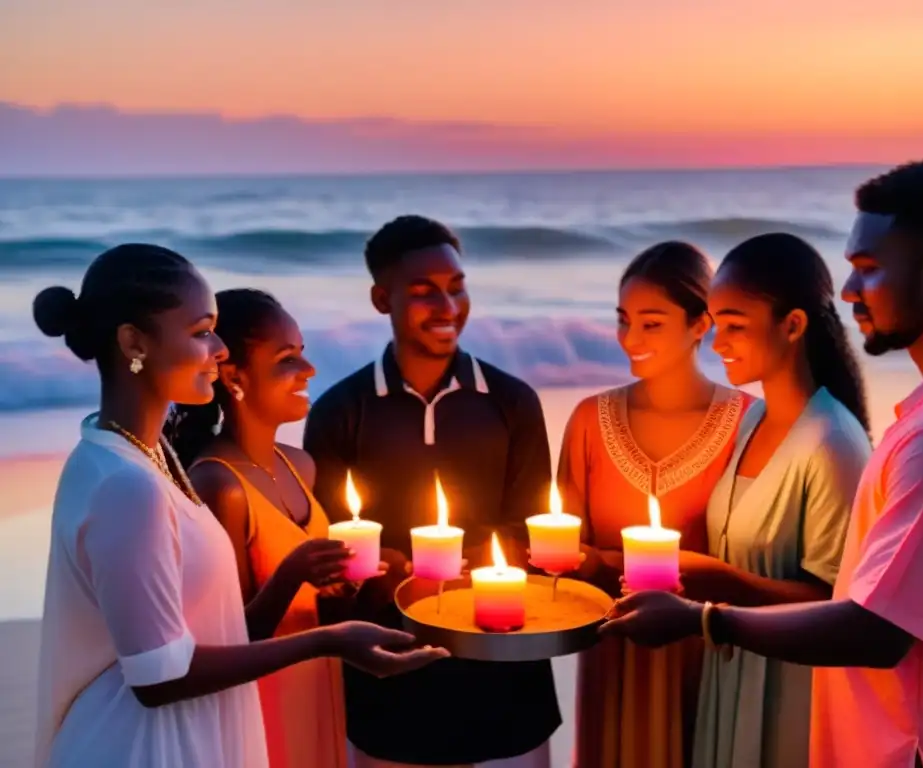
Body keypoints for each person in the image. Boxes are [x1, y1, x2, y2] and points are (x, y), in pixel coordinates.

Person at [599, 160, 923, 768]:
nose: (848, 291)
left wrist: (705, 620)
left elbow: (877, 631)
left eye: (869, 269)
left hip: (915, 752)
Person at [32, 244, 449, 768]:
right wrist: (325, 641)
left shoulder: (145, 456)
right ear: (133, 341)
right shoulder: (126, 483)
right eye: (202, 331)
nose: (220, 350)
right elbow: (159, 678)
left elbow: (209, 627)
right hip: (142, 747)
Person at [303, 215, 561, 768]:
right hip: (390, 670)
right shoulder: (340, 412)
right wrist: (390, 569)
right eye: (423, 292)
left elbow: (531, 526)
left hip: (504, 669)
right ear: (381, 298)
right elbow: (331, 549)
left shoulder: (512, 402)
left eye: (456, 287)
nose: (447, 307)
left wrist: (489, 561)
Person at [557, 241, 753, 768]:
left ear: (699, 325)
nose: (630, 339)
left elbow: (755, 562)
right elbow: (564, 559)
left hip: (710, 652)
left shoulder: (749, 424)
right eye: (624, 321)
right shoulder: (587, 422)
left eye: (651, 323)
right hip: (615, 654)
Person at [682, 233, 872, 768]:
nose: (717, 343)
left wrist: (714, 583)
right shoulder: (753, 419)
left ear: (793, 325)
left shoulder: (833, 442)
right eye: (715, 323)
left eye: (735, 325)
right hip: (734, 664)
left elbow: (839, 606)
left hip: (793, 688)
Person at [168, 289, 361, 768]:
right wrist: (294, 571)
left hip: (317, 679)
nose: (309, 370)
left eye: (304, 353)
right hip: (261, 703)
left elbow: (315, 607)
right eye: (286, 359)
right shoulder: (218, 484)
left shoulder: (300, 466)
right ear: (234, 376)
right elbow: (229, 638)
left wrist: (343, 585)